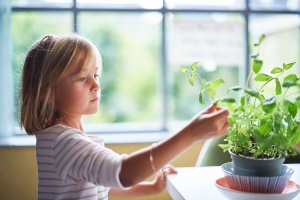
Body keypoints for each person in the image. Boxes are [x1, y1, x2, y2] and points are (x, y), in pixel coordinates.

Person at [18, 33, 229, 200]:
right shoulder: (65, 142)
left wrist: (152, 188)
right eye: (82, 78)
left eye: (96, 75)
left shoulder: (59, 139)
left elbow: (102, 184)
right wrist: (191, 133)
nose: (96, 85)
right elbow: (123, 173)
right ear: (47, 92)